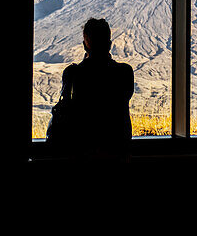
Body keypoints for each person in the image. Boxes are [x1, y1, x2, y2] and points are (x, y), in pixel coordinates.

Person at [48, 18, 134, 159]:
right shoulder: (124, 72)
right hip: (117, 150)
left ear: (84, 45)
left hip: (80, 151)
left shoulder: (72, 73)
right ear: (110, 44)